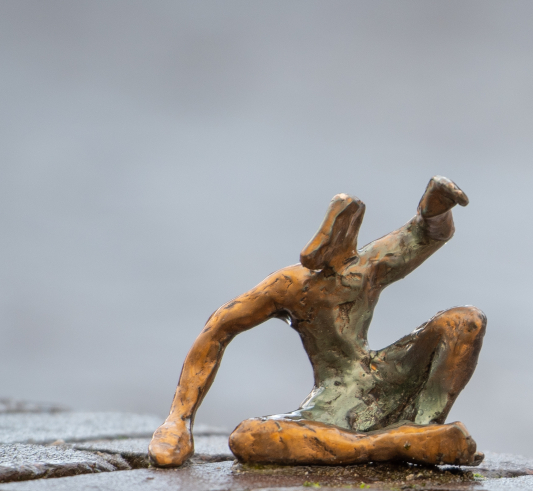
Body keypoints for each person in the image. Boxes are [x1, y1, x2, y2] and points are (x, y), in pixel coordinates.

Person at [147, 176, 486, 468]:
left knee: (465, 321)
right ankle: (400, 442)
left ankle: (425, 426)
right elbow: (217, 331)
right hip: (330, 405)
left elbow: (425, 234)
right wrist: (178, 419)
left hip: (383, 375)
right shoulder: (290, 286)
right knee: (249, 438)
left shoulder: (366, 267)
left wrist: (436, 209)